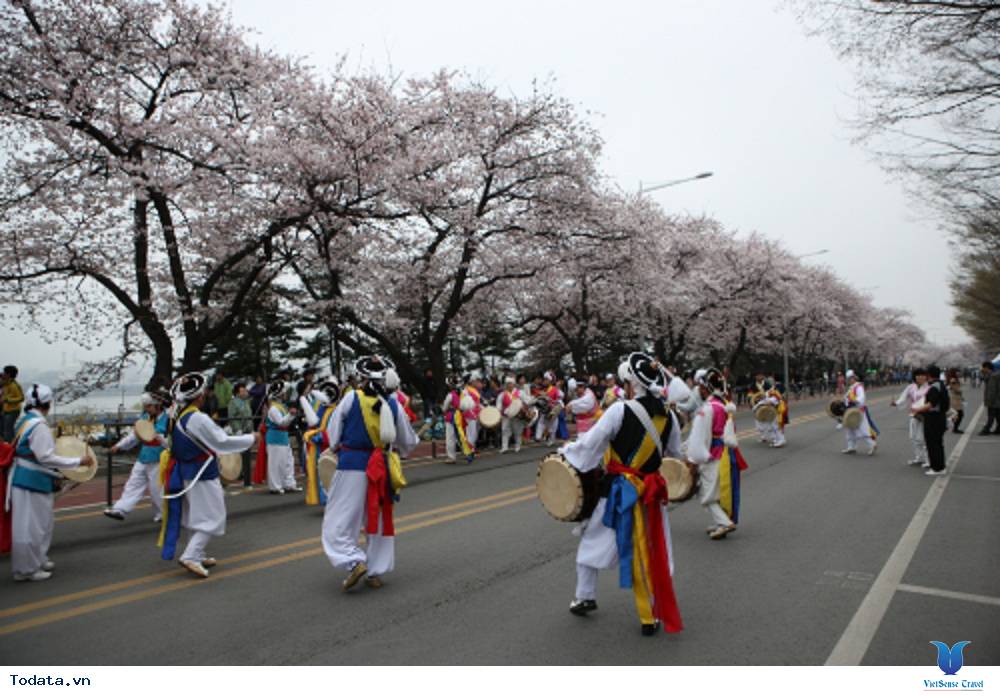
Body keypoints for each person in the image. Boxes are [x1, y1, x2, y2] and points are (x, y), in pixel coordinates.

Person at [560, 353, 683, 637]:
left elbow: (588, 448)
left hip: (618, 493)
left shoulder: (619, 410)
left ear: (630, 383)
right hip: (651, 495)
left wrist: (565, 452)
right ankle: (651, 611)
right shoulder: (670, 416)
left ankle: (585, 595)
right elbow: (677, 456)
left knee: (592, 541)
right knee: (652, 549)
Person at [320, 356, 418, 590]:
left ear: (362, 377)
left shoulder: (351, 398)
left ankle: (353, 561)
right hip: (381, 467)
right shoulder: (394, 405)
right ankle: (376, 571)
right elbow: (408, 442)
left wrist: (335, 448)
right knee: (379, 519)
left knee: (339, 519)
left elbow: (333, 434)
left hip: (352, 466)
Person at [159, 373, 257, 578]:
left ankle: (198, 552)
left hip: (185, 471)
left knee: (196, 514)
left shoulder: (176, 415)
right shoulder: (197, 418)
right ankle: (191, 555)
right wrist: (250, 438)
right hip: (201, 472)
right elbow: (221, 441)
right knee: (213, 515)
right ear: (199, 396)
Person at [6, 384, 95, 581]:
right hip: (32, 479)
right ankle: (28, 568)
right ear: (48, 403)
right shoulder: (39, 426)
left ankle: (33, 561)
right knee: (34, 526)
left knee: (32, 524)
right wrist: (78, 461)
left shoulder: (24, 420)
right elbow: (45, 456)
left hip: (25, 477)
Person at [686, 369, 749, 540]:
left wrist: (693, 459)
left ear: (706, 388)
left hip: (713, 454)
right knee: (716, 489)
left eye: (701, 387)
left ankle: (724, 522)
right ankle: (719, 520)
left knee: (707, 491)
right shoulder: (723, 405)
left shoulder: (708, 408)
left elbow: (701, 438)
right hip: (727, 453)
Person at [104, 389, 171, 522]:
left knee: (156, 489)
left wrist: (158, 437)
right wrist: (119, 446)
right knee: (133, 484)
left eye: (149, 406)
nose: (146, 409)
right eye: (145, 406)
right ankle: (120, 509)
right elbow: (134, 436)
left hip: (159, 459)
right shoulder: (144, 418)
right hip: (143, 456)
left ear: (158, 405)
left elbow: (171, 442)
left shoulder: (168, 420)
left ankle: (163, 514)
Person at [260, 381, 300, 494]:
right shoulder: (273, 409)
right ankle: (275, 487)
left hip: (282, 437)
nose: (285, 394)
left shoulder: (281, 406)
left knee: (288, 461)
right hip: (275, 437)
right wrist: (291, 414)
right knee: (275, 463)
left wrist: (290, 414)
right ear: (278, 394)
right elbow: (281, 423)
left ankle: (289, 484)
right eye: (283, 393)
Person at [914, 365, 949, 476]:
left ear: (928, 375)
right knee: (938, 443)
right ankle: (941, 466)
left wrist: (917, 409)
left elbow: (931, 404)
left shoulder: (934, 387)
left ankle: (936, 468)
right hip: (940, 417)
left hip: (934, 418)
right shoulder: (941, 385)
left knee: (932, 443)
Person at [892, 368, 929, 467]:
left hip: (925, 415)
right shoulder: (911, 387)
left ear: (926, 376)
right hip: (914, 414)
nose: (920, 377)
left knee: (923, 438)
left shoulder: (929, 387)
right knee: (913, 437)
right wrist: (896, 403)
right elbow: (903, 397)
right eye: (918, 375)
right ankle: (919, 457)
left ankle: (928, 460)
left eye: (922, 375)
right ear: (914, 377)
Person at [442, 375, 478, 464]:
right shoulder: (466, 393)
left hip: (452, 417)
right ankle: (469, 452)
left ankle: (451, 457)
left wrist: (445, 409)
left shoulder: (450, 395)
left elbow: (444, 408)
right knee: (464, 436)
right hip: (465, 417)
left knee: (450, 437)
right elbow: (471, 405)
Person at [841, 370, 878, 455]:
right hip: (851, 412)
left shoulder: (858, 386)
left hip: (858, 412)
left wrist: (854, 401)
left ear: (854, 377)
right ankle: (851, 447)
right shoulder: (851, 388)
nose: (849, 380)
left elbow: (861, 398)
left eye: (851, 378)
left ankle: (872, 445)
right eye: (848, 379)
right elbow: (846, 398)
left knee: (863, 429)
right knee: (849, 429)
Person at [535, 372, 564, 446]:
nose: (544, 381)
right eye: (544, 379)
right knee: (541, 422)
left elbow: (559, 399)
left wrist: (551, 400)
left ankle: (551, 439)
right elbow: (537, 397)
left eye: (546, 380)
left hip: (552, 410)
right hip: (544, 410)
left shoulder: (555, 389)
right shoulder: (541, 389)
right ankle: (538, 436)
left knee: (552, 427)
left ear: (550, 381)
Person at [496, 377, 525, 453]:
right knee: (505, 430)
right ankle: (504, 447)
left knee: (517, 431)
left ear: (514, 384)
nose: (509, 385)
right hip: (506, 415)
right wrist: (499, 412)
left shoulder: (520, 393)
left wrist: (523, 408)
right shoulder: (502, 394)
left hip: (517, 415)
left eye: (510, 383)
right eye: (507, 384)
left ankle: (518, 445)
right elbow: (499, 405)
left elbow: (526, 401)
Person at [2, 365, 25, 443]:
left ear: (8, 374)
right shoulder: (6, 383)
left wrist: (8, 400)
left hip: (13, 410)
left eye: (4, 373)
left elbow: (21, 398)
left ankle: (9, 445)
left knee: (8, 429)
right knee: (3, 429)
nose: (3, 374)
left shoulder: (15, 386)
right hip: (5, 410)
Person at [979, 362, 1000, 435]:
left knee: (991, 416)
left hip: (994, 400)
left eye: (983, 367)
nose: (982, 369)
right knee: (997, 415)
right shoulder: (994, 375)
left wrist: (989, 401)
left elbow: (992, 390)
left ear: (987, 368)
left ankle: (986, 429)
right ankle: (998, 429)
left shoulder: (993, 376)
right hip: (997, 400)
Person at [946, 369, 965, 435]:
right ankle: (954, 428)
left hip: (956, 399)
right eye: (956, 372)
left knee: (957, 414)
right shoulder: (953, 380)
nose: (958, 373)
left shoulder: (952, 379)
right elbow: (955, 388)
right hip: (955, 400)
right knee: (959, 414)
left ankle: (954, 427)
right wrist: (960, 391)